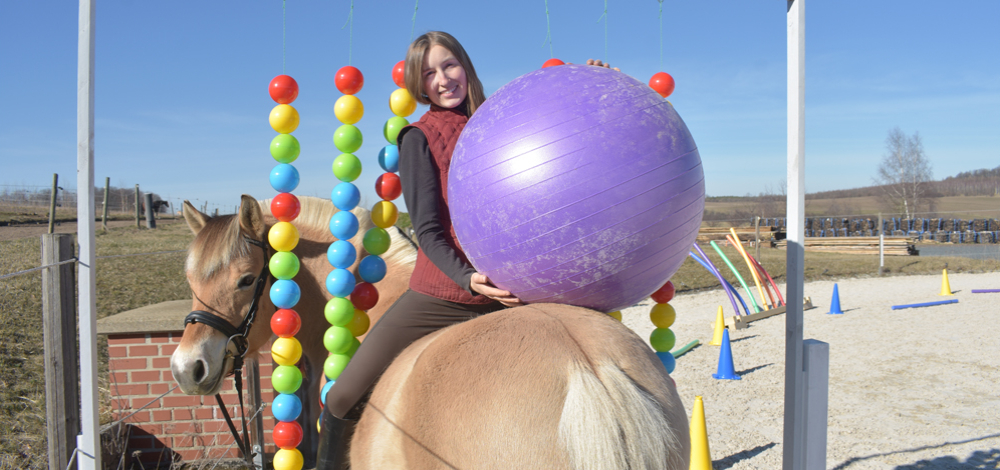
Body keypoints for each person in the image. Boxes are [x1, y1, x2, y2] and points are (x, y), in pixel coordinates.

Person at [318, 31, 614, 468]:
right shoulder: (418, 138)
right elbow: (429, 231)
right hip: (445, 295)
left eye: (449, 65)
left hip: (517, 287)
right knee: (342, 397)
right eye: (429, 73)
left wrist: (591, 90)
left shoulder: (502, 121)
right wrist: (466, 277)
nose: (442, 80)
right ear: (419, 85)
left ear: (466, 66)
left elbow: (557, 137)